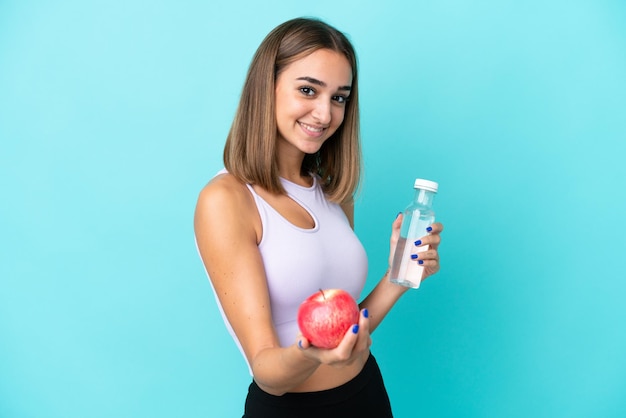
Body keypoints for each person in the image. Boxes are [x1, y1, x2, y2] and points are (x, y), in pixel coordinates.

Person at [194, 17, 443, 417]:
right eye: (308, 90)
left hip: (366, 395)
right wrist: (315, 352)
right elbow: (267, 372)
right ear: (266, 88)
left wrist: (399, 276)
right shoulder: (226, 200)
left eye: (339, 97)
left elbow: (347, 329)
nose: (325, 114)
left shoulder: (331, 192)